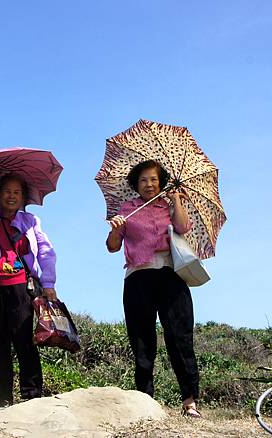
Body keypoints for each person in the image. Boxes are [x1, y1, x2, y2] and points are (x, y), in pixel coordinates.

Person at [106, 159, 201, 418]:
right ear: (136, 184)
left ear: (161, 182)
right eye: (143, 180)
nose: (149, 184)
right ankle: (145, 400)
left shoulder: (169, 207)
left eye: (153, 179)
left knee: (180, 337)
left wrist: (177, 201)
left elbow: (182, 227)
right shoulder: (127, 209)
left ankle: (190, 400)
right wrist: (116, 229)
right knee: (142, 339)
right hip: (138, 278)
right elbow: (113, 246)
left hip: (170, 276)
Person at [0, 174, 57, 407]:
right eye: (6, 192)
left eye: (16, 192)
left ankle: (32, 394)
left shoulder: (30, 221)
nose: (11, 196)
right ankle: (4, 398)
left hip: (20, 286)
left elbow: (46, 251)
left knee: (23, 339)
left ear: (22, 197)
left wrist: (48, 283)